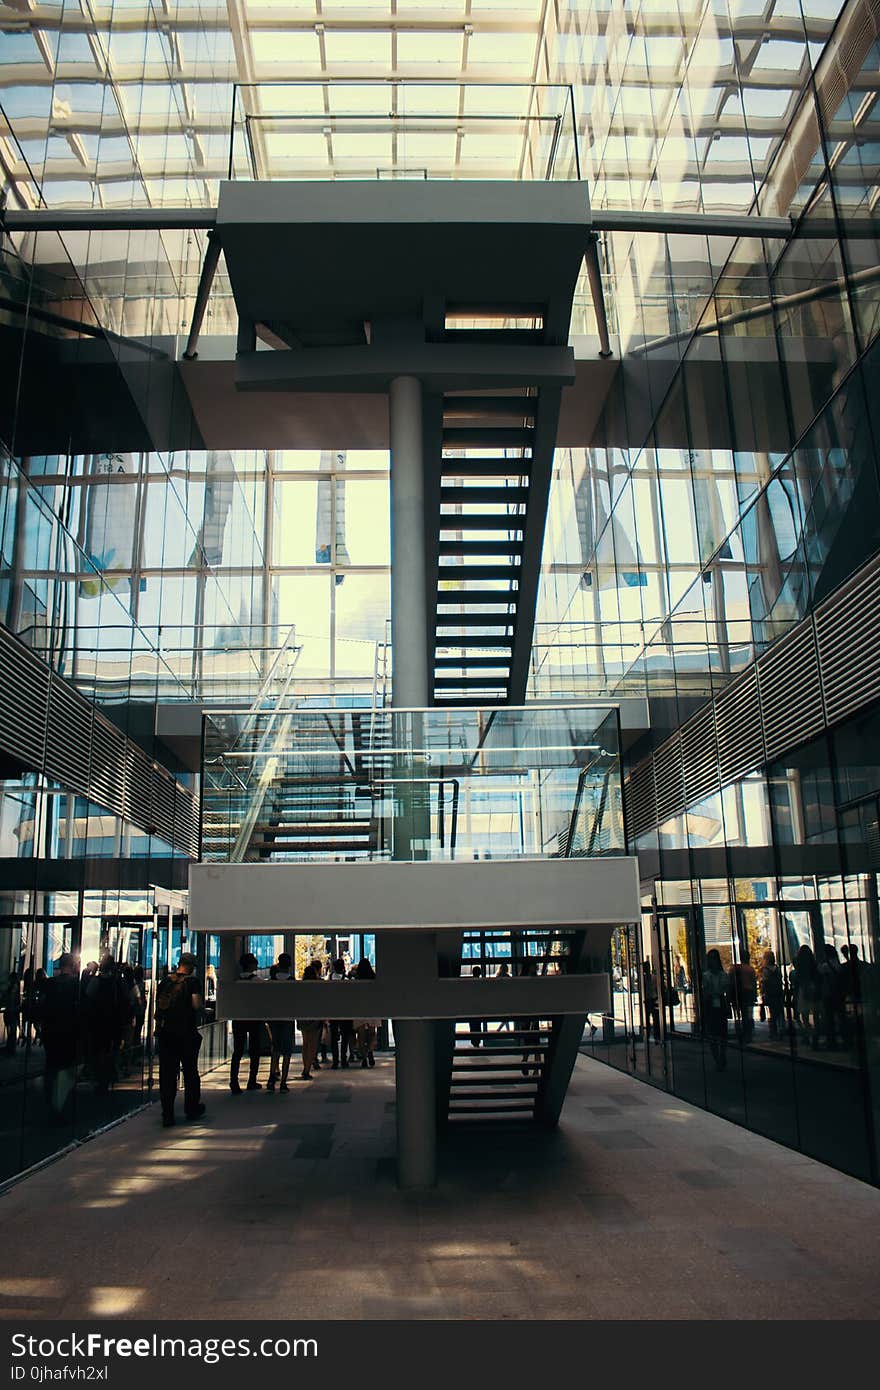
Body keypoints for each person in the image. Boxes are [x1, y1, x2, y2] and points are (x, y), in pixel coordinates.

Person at [154, 951, 205, 1128]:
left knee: (167, 1074)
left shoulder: (165, 982)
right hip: (186, 1033)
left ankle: (167, 1113)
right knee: (190, 1072)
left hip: (166, 1034)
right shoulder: (192, 982)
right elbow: (196, 1005)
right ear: (190, 966)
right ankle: (191, 1108)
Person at [37, 953, 80, 1124]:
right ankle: (62, 1106)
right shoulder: (75, 986)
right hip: (68, 1034)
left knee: (52, 1067)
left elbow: (42, 1007)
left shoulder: (50, 985)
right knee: (66, 1069)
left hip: (51, 1033)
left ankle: (51, 1105)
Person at [229, 952, 265, 1093]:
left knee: (237, 1051)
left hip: (239, 1018)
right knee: (254, 1051)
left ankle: (234, 1081)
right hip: (254, 1017)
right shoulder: (257, 981)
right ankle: (251, 1080)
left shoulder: (235, 980)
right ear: (251, 965)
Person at [266, 952, 294, 1092]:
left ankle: (272, 1077)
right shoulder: (292, 982)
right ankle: (283, 1081)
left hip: (275, 1017)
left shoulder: (271, 981)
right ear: (289, 965)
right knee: (287, 1050)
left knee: (275, 1048)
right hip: (288, 1018)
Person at [702, 949, 729, 1071]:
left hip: (720, 1004)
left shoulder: (723, 975)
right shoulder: (706, 976)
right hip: (711, 1005)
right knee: (712, 1034)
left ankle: (722, 1055)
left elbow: (725, 989)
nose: (712, 961)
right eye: (710, 958)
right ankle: (717, 1059)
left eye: (713, 958)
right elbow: (706, 990)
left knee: (722, 1033)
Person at [296, 960, 324, 1080]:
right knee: (313, 1044)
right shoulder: (319, 984)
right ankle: (307, 1069)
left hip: (303, 1016)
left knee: (305, 1042)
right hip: (315, 1016)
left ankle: (305, 1066)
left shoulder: (301, 986)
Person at [516, 957, 542, 1076]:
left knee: (532, 1041)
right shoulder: (533, 979)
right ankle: (531, 1064)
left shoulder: (523, 978)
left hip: (528, 1013)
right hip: (531, 1012)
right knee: (533, 1041)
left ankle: (530, 1064)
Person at [791, 944, 819, 1048]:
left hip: (803, 991)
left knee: (804, 1015)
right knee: (816, 1015)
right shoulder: (814, 965)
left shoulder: (799, 969)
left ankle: (808, 1034)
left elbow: (796, 982)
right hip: (813, 990)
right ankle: (815, 1036)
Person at [328, 957, 353, 1070]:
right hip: (345, 1011)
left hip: (333, 1011)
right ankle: (343, 1059)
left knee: (334, 1037)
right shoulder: (347, 980)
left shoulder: (329, 979)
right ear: (343, 968)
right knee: (345, 1036)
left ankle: (335, 1060)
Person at [728, 950, 757, 1045]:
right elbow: (753, 983)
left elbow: (730, 982)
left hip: (737, 993)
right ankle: (747, 1034)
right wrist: (755, 995)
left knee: (737, 1015)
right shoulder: (750, 969)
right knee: (747, 1016)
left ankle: (739, 1033)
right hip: (748, 993)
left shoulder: (734, 969)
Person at [758, 949, 785, 1040]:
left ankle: (773, 1032)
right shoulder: (777, 968)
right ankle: (781, 1030)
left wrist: (762, 993)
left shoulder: (765, 970)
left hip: (770, 994)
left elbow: (764, 983)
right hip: (778, 993)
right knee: (779, 1013)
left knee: (772, 1013)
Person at [642, 958, 661, 1043]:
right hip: (654, 999)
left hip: (647, 1000)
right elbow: (658, 988)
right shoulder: (654, 977)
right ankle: (657, 1036)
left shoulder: (643, 979)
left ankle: (647, 1036)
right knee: (655, 1019)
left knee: (647, 1019)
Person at [2, 970, 20, 1055]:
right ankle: (11, 1048)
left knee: (10, 1031)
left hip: (9, 1011)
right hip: (12, 1011)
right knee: (12, 1031)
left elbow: (6, 999)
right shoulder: (15, 988)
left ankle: (10, 1047)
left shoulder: (10, 988)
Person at [468, 964, 486, 1047]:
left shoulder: (469, 982)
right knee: (478, 1025)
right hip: (479, 1007)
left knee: (473, 1025)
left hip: (471, 1007)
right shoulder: (481, 982)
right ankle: (477, 1041)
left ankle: (474, 1041)